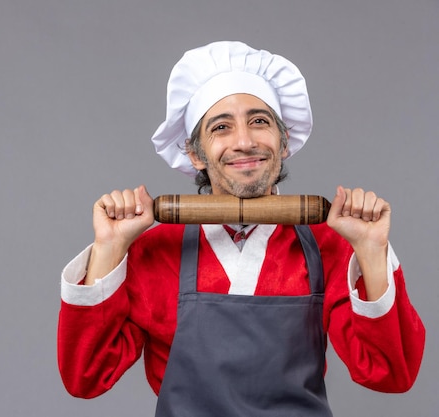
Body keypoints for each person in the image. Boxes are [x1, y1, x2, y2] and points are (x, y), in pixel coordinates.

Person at [57, 41, 425, 416]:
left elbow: (391, 375)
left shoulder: (332, 244)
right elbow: (85, 378)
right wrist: (109, 249)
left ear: (283, 142)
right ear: (196, 154)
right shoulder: (154, 250)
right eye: (222, 127)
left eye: (259, 121)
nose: (245, 141)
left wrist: (372, 252)